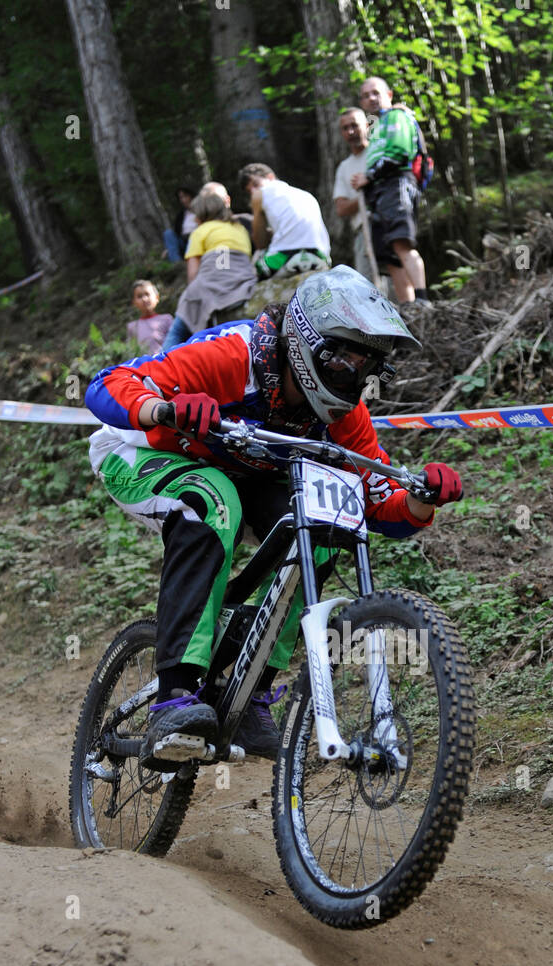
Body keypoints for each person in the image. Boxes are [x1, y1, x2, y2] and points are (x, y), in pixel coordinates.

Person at [84, 266, 462, 766]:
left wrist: (422, 499)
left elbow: (375, 500)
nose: (356, 374)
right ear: (308, 344)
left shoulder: (346, 416)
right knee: (213, 499)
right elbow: (108, 383)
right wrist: (162, 409)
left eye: (367, 364)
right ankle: (173, 696)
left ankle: (250, 682)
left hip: (241, 470)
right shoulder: (232, 355)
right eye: (346, 358)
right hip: (139, 451)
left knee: (331, 524)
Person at [352, 77, 430, 305]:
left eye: (375, 93)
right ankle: (408, 306)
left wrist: (369, 176)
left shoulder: (397, 116)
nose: (371, 99)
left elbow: (399, 153)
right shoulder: (376, 126)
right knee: (390, 256)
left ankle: (422, 299)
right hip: (380, 191)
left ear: (389, 95)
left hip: (397, 184)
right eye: (365, 95)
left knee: (401, 242)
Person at [161, 185, 257, 352]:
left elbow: (193, 273)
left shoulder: (200, 231)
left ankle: (159, 366)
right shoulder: (239, 227)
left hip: (212, 284)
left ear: (201, 215)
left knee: (178, 328)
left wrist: (192, 293)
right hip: (241, 282)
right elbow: (228, 260)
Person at [238, 163, 331, 280]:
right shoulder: (305, 195)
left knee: (254, 266)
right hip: (320, 257)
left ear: (270, 177)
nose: (253, 191)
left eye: (255, 184)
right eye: (249, 190)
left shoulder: (259, 194)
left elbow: (260, 242)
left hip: (285, 257)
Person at [333, 108, 373, 280]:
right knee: (369, 284)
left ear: (366, 125)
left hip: (387, 223)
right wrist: (367, 193)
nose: (351, 132)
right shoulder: (344, 167)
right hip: (361, 231)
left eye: (355, 125)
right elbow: (341, 209)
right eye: (345, 128)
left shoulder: (379, 154)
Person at [126, 280, 173, 354]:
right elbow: (131, 352)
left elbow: (175, 342)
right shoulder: (132, 327)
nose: (144, 299)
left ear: (157, 297)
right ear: (134, 302)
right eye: (139, 296)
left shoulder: (166, 319)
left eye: (147, 294)